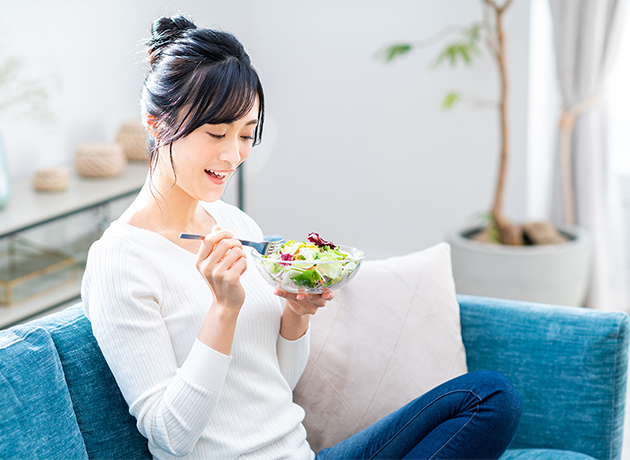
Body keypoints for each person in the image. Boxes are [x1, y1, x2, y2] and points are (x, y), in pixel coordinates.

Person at [81, 15, 522, 460]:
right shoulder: (121, 259)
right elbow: (169, 437)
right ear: (156, 124)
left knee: (489, 397)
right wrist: (223, 310)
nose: (233, 155)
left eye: (246, 135)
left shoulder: (233, 222)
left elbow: (278, 385)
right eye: (216, 133)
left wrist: (295, 314)